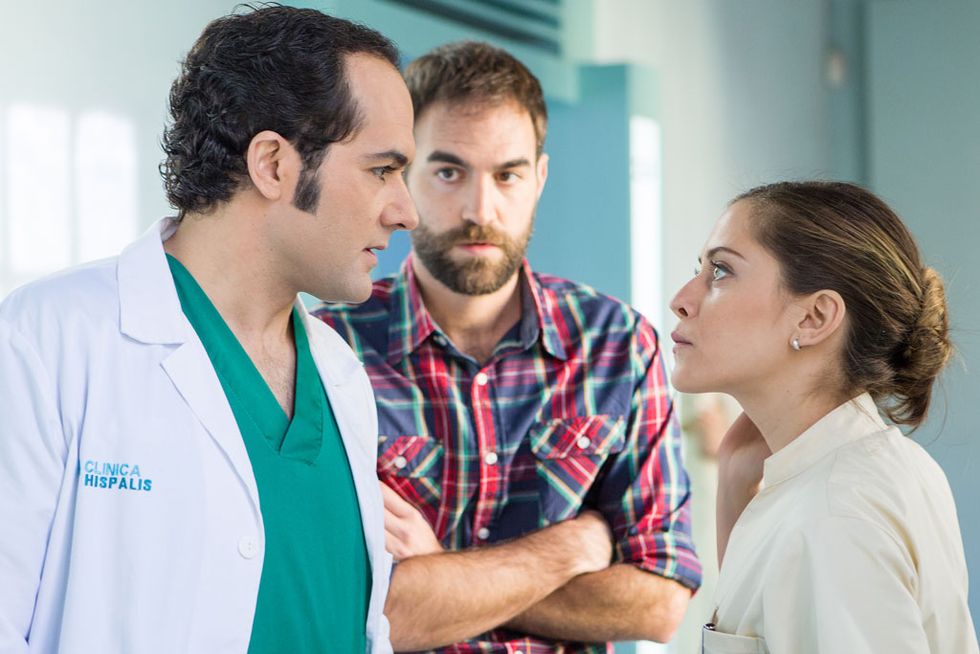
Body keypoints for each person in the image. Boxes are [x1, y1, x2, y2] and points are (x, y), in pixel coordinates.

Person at [0, 7, 417, 653]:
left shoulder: (339, 372)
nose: (407, 211)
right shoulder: (45, 342)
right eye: (382, 170)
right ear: (274, 164)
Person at [314, 41, 701, 653]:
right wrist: (571, 547)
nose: (480, 209)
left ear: (539, 178)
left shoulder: (619, 347)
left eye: (507, 175)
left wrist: (443, 570)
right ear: (404, 175)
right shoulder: (327, 349)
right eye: (448, 172)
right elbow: (377, 610)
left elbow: (658, 603)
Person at [668, 181, 979, 653]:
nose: (682, 299)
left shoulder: (836, 512)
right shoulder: (862, 470)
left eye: (721, 271)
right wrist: (733, 489)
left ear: (814, 318)